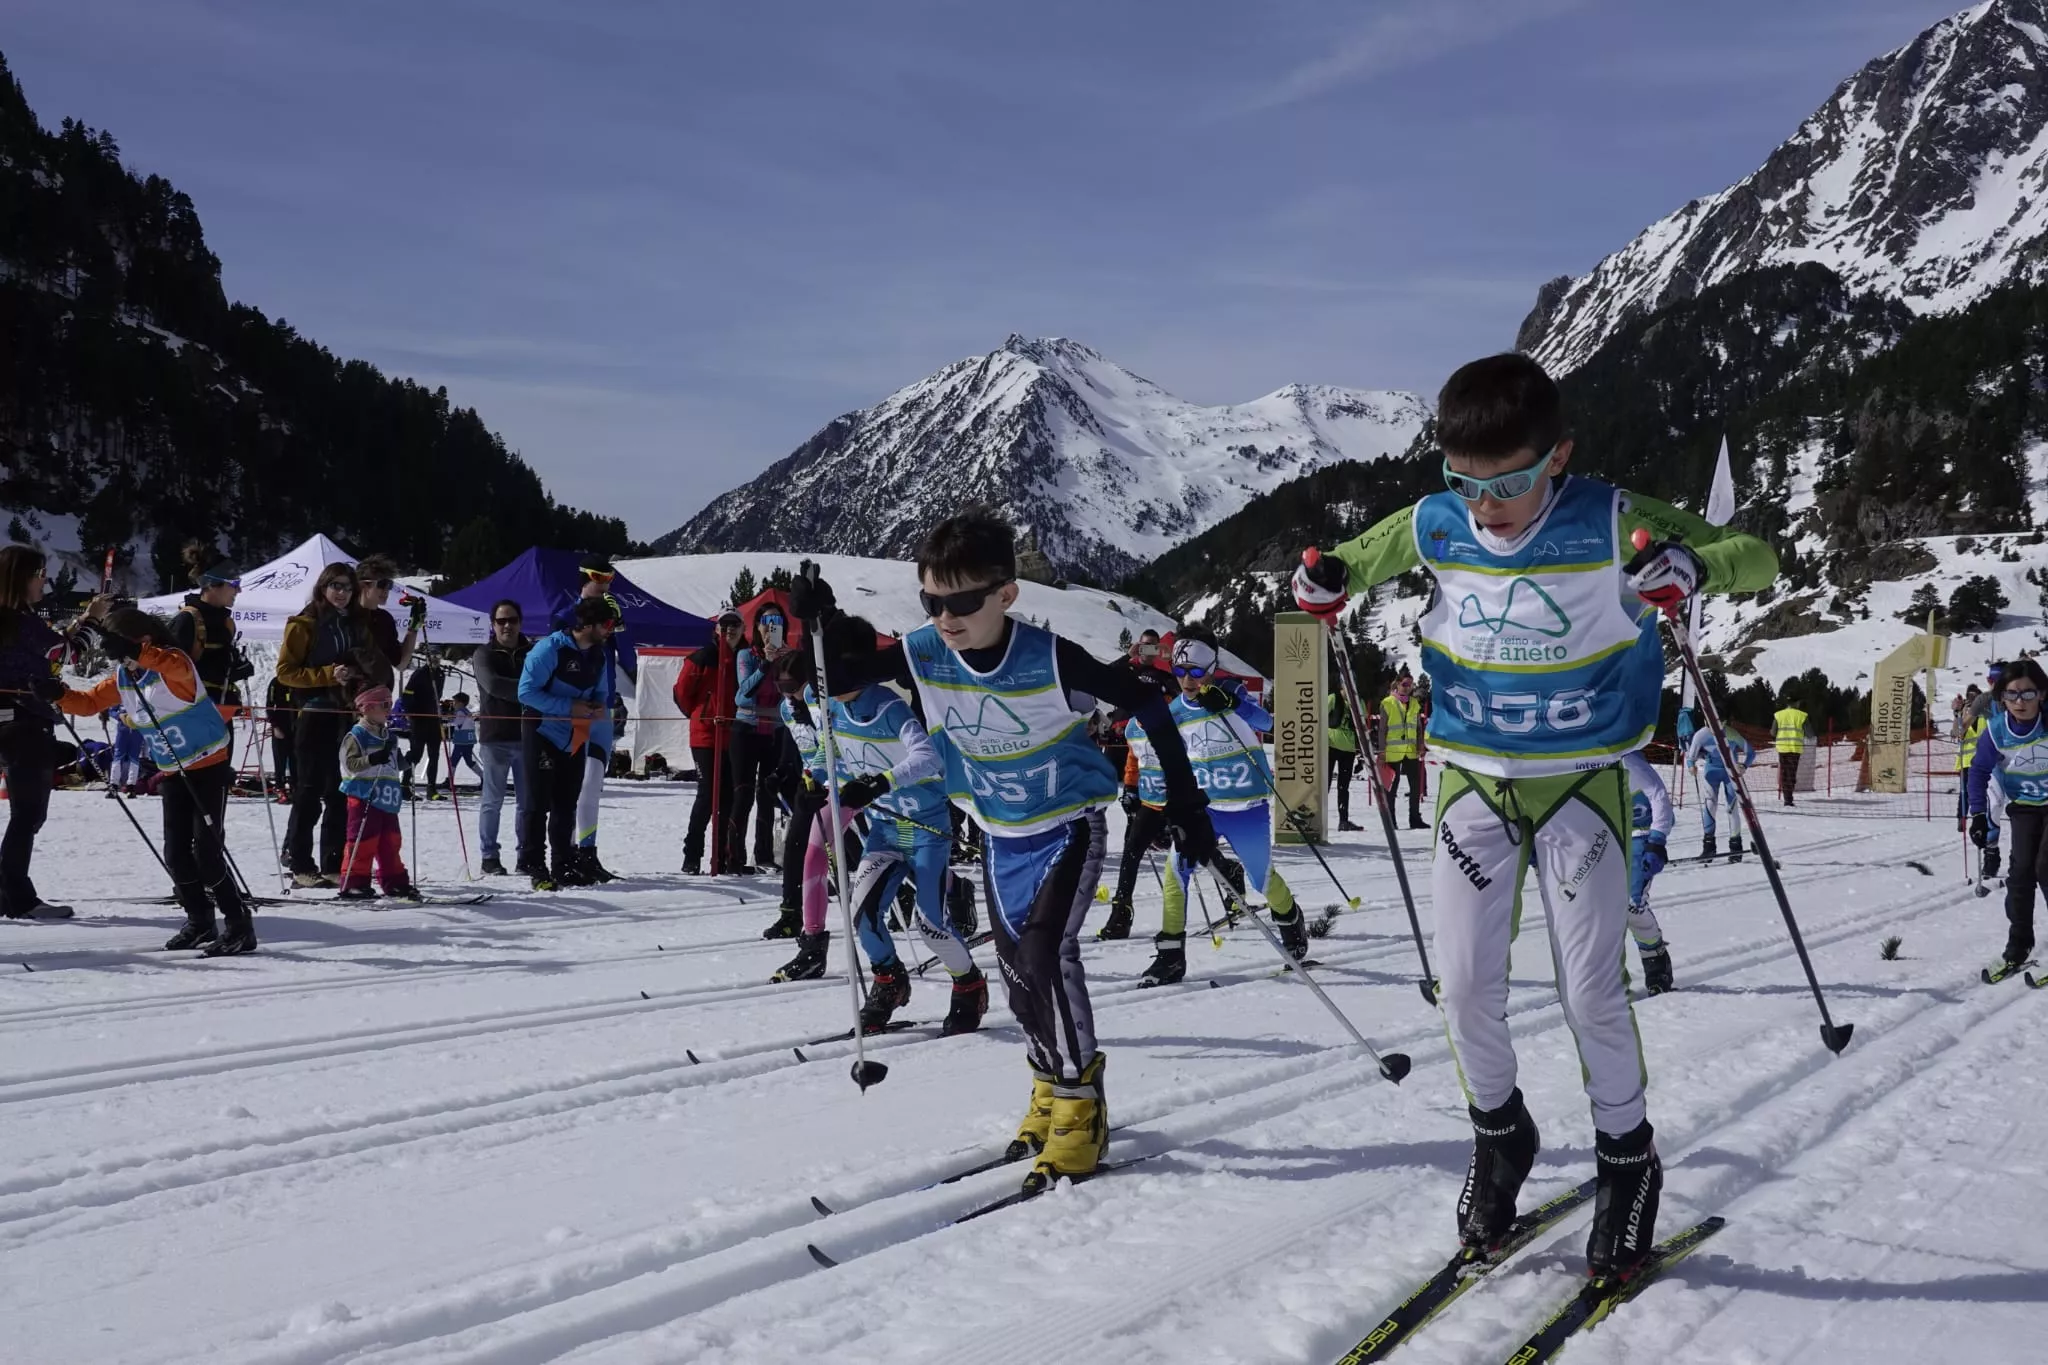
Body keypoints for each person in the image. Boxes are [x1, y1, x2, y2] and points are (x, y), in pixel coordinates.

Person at [1292, 351, 1777, 1278]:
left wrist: (1689, 566)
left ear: (1558, 455)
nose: (1485, 506)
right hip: (1471, 782)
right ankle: (1501, 1133)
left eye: (1507, 482)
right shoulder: (1438, 519)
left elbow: (1757, 555)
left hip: (1581, 782)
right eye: (1463, 482)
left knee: (1590, 989)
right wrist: (1322, 585)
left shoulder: (1606, 515)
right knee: (1466, 987)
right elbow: (1344, 567)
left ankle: (1628, 1158)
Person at [798, 508, 1217, 1194]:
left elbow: (1147, 703)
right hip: (998, 833)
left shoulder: (1051, 658)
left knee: (1048, 957)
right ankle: (1049, 1086)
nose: (946, 616)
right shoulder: (922, 651)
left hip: (1067, 827)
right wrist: (815, 620)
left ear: (1006, 593)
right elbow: (840, 672)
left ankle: (1082, 1108)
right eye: (932, 600)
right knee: (1020, 977)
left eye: (962, 600)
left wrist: (1190, 803)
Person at [804, 613, 989, 1035]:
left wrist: (878, 782)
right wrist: (817, 778)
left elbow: (928, 759)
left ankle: (968, 984)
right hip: (885, 832)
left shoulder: (888, 707)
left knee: (930, 923)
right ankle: (889, 981)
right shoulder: (834, 709)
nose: (824, 685)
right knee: (862, 918)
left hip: (925, 829)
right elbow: (824, 754)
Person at [62, 609, 256, 950]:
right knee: (176, 854)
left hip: (208, 763)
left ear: (144, 641)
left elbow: (173, 667)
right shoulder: (125, 677)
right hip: (172, 769)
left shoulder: (174, 662)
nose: (118, 658)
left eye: (121, 648)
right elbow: (88, 703)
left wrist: (136, 652)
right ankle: (200, 920)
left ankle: (239, 925)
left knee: (207, 855)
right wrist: (56, 694)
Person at [1122, 631, 1307, 987]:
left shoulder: (1233, 694)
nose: (1187, 680)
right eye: (1180, 671)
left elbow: (1269, 724)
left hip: (1246, 806)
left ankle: (1290, 920)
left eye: (1196, 671)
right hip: (1204, 808)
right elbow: (1160, 760)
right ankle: (1170, 956)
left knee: (1260, 878)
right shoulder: (1173, 712)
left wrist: (1233, 705)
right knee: (1177, 874)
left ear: (1212, 668)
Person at [0, 546, 91, 919]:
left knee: (24, 813)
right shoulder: (20, 620)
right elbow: (69, 654)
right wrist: (91, 620)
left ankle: (8, 891)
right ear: (23, 578)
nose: (45, 582)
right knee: (28, 814)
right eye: (40, 574)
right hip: (26, 723)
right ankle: (18, 897)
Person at [276, 562, 376, 887]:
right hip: (313, 713)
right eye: (336, 586)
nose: (342, 593)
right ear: (323, 587)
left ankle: (333, 863)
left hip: (344, 715)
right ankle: (301, 864)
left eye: (347, 587)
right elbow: (285, 672)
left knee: (338, 791)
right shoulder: (302, 624)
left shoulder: (355, 624)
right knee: (307, 791)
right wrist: (326, 675)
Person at [519, 596, 617, 891]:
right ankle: (535, 865)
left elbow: (601, 692)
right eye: (607, 624)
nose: (611, 630)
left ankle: (563, 865)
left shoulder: (599, 654)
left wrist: (599, 706)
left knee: (566, 803)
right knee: (538, 804)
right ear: (587, 625)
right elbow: (526, 692)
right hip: (542, 732)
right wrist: (568, 706)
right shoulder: (550, 648)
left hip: (576, 735)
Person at [1967, 657, 2048, 981]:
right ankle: (2018, 946)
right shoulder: (1997, 732)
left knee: (2046, 867)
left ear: (2041, 694)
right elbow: (1978, 771)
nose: (2020, 701)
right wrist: (1977, 814)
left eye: (2028, 694)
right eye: (2012, 694)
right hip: (2026, 806)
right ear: (2001, 698)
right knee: (2020, 875)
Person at [556, 563, 631, 883]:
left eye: (610, 581)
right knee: (577, 783)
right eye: (599, 580)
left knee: (594, 783)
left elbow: (626, 657)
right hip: (576, 710)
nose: (606, 586)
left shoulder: (612, 613)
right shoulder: (565, 614)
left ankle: (588, 852)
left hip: (604, 707)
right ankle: (567, 851)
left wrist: (619, 625)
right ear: (584, 580)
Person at [675, 610, 743, 875]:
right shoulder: (702, 657)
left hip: (735, 735)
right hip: (706, 734)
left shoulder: (745, 657)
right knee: (707, 795)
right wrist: (701, 713)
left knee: (728, 797)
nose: (729, 630)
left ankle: (723, 855)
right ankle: (692, 855)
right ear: (716, 630)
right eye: (724, 626)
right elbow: (682, 692)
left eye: (735, 625)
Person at [337, 686, 420, 903]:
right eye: (384, 705)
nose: (389, 710)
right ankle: (354, 882)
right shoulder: (357, 735)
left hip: (386, 796)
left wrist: (410, 758)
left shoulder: (388, 736)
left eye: (390, 704)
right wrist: (372, 759)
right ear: (367, 707)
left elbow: (394, 762)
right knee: (363, 840)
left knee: (390, 841)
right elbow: (350, 764)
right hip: (364, 794)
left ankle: (394, 882)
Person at [472, 600, 533, 877]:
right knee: (492, 800)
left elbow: (545, 682)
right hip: (495, 736)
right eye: (501, 621)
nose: (507, 625)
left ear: (520, 622)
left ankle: (526, 855)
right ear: (492, 624)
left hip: (529, 736)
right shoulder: (483, 654)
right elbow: (493, 685)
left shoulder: (533, 652)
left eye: (512, 620)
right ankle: (489, 857)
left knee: (527, 802)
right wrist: (530, 689)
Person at [731, 602, 791, 872]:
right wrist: (766, 663)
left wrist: (789, 663)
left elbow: (794, 697)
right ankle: (734, 857)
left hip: (774, 730)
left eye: (776, 620)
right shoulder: (747, 655)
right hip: (746, 729)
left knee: (767, 794)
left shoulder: (788, 656)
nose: (770, 626)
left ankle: (764, 856)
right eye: (764, 621)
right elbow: (743, 694)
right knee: (743, 794)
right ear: (756, 627)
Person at [168, 546, 253, 715]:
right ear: (213, 584)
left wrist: (235, 664)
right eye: (234, 584)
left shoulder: (226, 622)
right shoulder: (187, 620)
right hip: (191, 714)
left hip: (221, 712)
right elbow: (168, 670)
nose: (239, 590)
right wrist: (220, 669)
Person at [1621, 750, 1675, 994]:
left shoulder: (1626, 758)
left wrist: (1656, 840)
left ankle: (1656, 959)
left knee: (1631, 904)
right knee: (1598, 908)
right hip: (1604, 836)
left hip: (1640, 833)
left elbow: (1659, 794)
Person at [1685, 723, 1754, 860]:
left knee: (1732, 809)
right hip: (1711, 774)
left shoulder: (1731, 733)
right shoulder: (1701, 734)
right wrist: (1691, 766)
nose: (1711, 726)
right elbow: (1690, 756)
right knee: (1710, 807)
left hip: (1731, 774)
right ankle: (1709, 848)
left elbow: (1751, 752)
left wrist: (1744, 766)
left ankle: (1736, 848)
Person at [1379, 669, 1427, 829]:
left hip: (1411, 750)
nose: (1407, 687)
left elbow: (1418, 727)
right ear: (1398, 684)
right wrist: (1381, 750)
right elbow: (1382, 729)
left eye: (1410, 685)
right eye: (1405, 684)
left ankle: (1415, 818)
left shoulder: (1414, 703)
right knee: (1392, 787)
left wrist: (1421, 744)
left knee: (1415, 786)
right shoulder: (1388, 702)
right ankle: (1391, 820)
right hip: (1392, 751)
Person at [401, 653, 446, 800]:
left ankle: (431, 789)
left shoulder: (440, 674)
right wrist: (410, 713)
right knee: (416, 754)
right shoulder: (419, 673)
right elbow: (407, 694)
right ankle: (404, 786)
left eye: (437, 656)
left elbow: (436, 696)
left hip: (433, 720)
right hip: (419, 720)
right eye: (431, 655)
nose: (434, 658)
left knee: (434, 755)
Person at [1327, 682, 1362, 832]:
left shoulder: (1358, 702)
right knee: (1325, 784)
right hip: (1330, 746)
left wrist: (1360, 752)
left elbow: (1361, 724)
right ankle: (1316, 817)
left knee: (1344, 787)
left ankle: (1343, 820)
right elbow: (1319, 715)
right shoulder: (1333, 698)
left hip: (1348, 749)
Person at [1772, 690, 1809, 807]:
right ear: (1797, 703)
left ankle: (1786, 797)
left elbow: (1773, 732)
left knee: (1784, 773)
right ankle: (1788, 799)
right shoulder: (1802, 716)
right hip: (1794, 748)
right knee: (1791, 773)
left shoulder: (1778, 715)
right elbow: (1810, 734)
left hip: (1782, 748)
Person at [447, 693, 482, 784]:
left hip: (462, 741)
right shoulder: (466, 711)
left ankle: (449, 781)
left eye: (455, 702)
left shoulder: (460, 712)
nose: (454, 704)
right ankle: (484, 776)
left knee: (453, 760)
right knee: (469, 761)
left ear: (461, 703)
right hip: (468, 740)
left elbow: (457, 723)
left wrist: (448, 721)